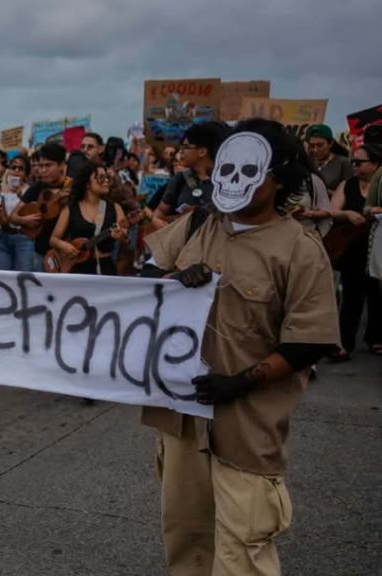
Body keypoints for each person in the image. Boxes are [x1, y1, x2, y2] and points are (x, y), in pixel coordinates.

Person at [142, 118, 339, 576]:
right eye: (226, 169)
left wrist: (240, 383)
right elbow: (145, 280)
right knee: (187, 537)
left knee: (242, 550)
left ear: (279, 176)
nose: (232, 183)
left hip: (246, 428)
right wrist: (172, 280)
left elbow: (309, 341)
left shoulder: (299, 249)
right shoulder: (196, 226)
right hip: (182, 421)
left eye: (250, 172)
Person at [327, 143, 382, 360]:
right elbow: (332, 211)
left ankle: (376, 338)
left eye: (359, 162)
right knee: (352, 296)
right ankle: (344, 344)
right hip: (353, 248)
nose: (355, 166)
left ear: (375, 164)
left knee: (377, 295)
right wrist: (349, 214)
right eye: (353, 162)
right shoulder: (348, 185)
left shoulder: (379, 185)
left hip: (376, 245)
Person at [49, 162, 128, 275]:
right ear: (87, 184)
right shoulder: (71, 209)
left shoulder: (115, 208)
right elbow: (53, 239)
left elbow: (125, 239)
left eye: (107, 177)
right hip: (77, 268)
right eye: (101, 177)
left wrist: (121, 236)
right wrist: (64, 246)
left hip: (105, 267)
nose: (106, 181)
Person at [153, 123, 228, 227]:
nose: (181, 152)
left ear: (202, 151)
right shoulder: (180, 178)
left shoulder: (227, 181)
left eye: (185, 147)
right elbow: (159, 213)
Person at [14, 143, 70, 265]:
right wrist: (25, 220)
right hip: (41, 253)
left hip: (69, 252)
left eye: (48, 165)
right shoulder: (37, 187)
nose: (43, 170)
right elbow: (13, 217)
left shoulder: (73, 187)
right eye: (40, 166)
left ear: (62, 165)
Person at [0, 155, 35, 271]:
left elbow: (33, 214)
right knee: (2, 277)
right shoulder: (0, 191)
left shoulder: (30, 191)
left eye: (20, 169)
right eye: (13, 167)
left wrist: (21, 196)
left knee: (23, 277)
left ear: (26, 174)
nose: (16, 171)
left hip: (22, 238)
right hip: (1, 238)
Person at [305, 124, 353, 191]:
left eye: (320, 145)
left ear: (330, 143)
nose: (315, 150)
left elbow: (350, 192)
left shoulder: (343, 163)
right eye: (312, 146)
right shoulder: (306, 163)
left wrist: (324, 192)